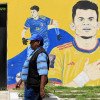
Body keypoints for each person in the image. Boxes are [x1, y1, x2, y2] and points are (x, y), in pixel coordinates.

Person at [48, 0, 100, 87]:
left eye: (91, 19)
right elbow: (51, 93)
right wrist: (85, 77)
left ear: (98, 25)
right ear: (72, 26)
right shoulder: (56, 53)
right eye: (81, 19)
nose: (86, 23)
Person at [16, 34, 49, 100]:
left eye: (32, 41)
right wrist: (21, 80)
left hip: (34, 88)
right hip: (30, 86)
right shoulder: (34, 53)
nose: (30, 43)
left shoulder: (41, 54)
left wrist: (41, 89)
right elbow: (29, 69)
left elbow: (43, 73)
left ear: (38, 42)